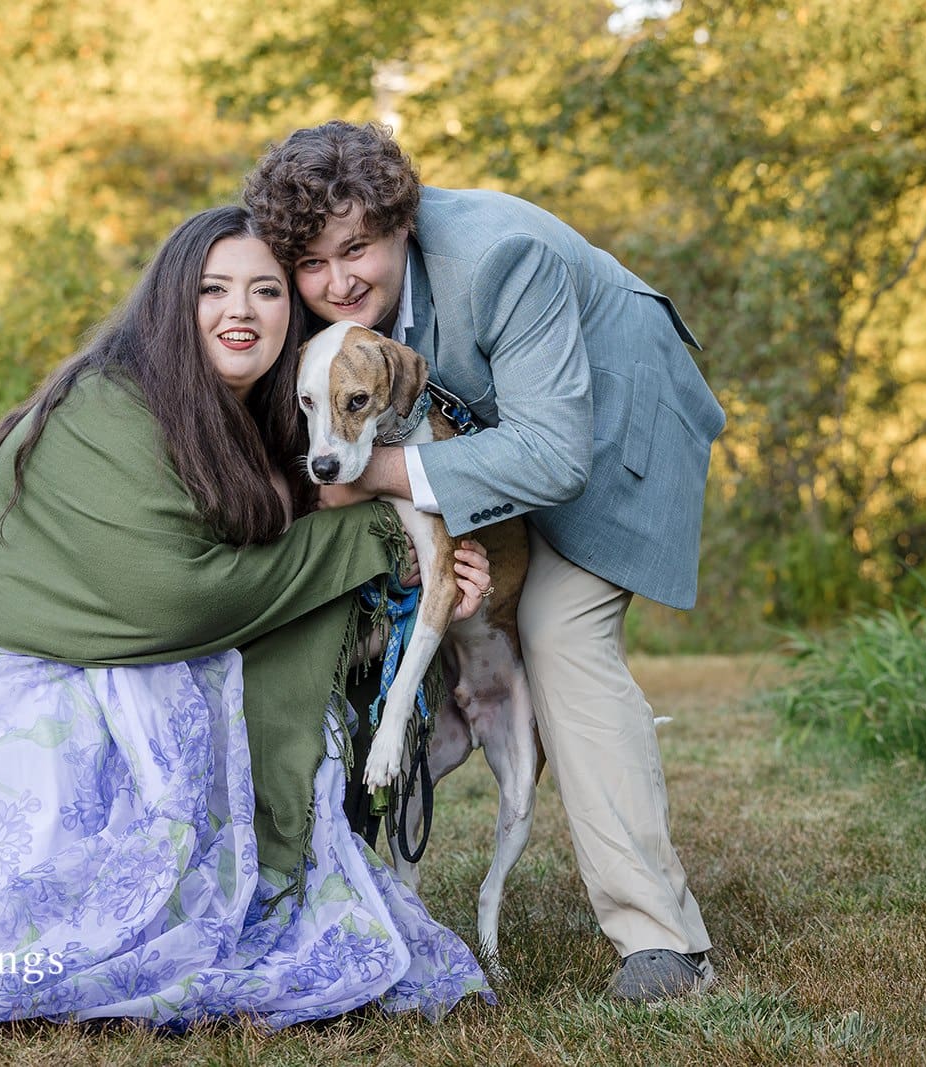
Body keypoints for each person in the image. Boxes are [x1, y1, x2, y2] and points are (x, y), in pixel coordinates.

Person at [0, 206, 497, 1028]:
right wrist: (384, 533)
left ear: (296, 313)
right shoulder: (111, 404)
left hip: (123, 650)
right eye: (213, 288)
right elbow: (171, 598)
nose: (239, 310)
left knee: (215, 700)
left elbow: (291, 543)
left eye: (266, 291)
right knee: (104, 874)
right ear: (173, 300)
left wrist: (438, 553)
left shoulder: (271, 412)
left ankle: (263, 858)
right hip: (17, 668)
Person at [244, 122, 727, 1002]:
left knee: (555, 629)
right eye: (313, 264)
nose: (339, 282)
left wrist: (375, 475)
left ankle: (663, 944)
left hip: (609, 426)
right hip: (489, 449)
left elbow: (551, 454)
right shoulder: (334, 320)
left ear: (403, 219)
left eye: (357, 249)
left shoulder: (500, 258)